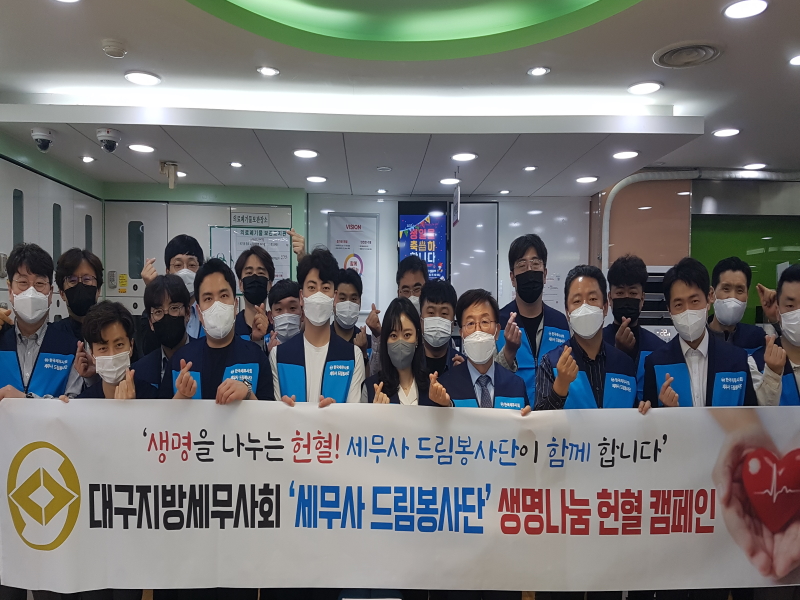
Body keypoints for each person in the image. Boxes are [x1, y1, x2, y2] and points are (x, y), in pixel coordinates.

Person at [641, 257, 757, 412]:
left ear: (709, 298)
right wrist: (665, 411)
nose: (687, 310)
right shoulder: (656, 363)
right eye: (678, 304)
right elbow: (650, 419)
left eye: (694, 301)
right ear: (669, 310)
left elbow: (751, 418)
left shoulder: (737, 360)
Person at [169, 258, 273, 402]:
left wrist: (248, 394)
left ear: (235, 305)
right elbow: (161, 414)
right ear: (199, 312)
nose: (217, 305)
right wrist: (181, 396)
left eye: (224, 296)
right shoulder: (180, 361)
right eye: (208, 298)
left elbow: (268, 413)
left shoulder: (256, 358)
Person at [536, 265, 637, 410]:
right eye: (577, 301)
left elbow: (633, 414)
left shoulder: (625, 364)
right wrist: (561, 385)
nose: (585, 307)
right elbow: (541, 419)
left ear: (605, 307)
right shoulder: (551, 363)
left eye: (592, 298)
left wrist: (643, 411)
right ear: (567, 313)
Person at [272, 247, 365, 406]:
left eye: (325, 288)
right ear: (301, 297)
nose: (318, 295)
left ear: (334, 297)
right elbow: (273, 414)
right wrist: (284, 411)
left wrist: (333, 414)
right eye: (312, 288)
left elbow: (353, 416)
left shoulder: (352, 356)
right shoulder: (279, 356)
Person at [0, 243, 83, 401]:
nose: (31, 292)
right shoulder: (1, 339)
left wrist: (26, 400)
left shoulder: (70, 349)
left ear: (50, 293)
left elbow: (74, 405)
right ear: (10, 290)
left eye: (39, 284)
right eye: (23, 283)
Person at [496, 234, 570, 402]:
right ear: (512, 278)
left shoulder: (561, 323)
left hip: (554, 412)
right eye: (522, 265)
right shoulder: (498, 322)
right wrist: (508, 353)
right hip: (512, 412)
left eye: (535, 264)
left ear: (544, 274)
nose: (529, 271)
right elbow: (489, 376)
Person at [432, 289, 530, 414]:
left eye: (485, 322)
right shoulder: (445, 387)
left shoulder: (516, 385)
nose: (478, 330)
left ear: (497, 331)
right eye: (470, 323)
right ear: (462, 334)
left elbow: (525, 423)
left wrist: (527, 420)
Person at [602, 254, 665, 401]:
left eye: (633, 293)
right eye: (620, 293)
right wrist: (618, 354)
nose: (626, 298)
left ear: (642, 299)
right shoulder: (597, 344)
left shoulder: (658, 348)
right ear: (610, 298)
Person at [64, 301, 148, 403]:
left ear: (131, 346)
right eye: (103, 348)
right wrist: (63, 408)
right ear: (92, 354)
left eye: (119, 345)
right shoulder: (84, 403)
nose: (112, 355)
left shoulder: (153, 398)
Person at [139, 234, 206, 355]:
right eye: (178, 265)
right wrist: (154, 294)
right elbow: (149, 350)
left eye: (192, 265)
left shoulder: (208, 310)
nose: (185, 271)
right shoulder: (154, 315)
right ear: (168, 271)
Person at [362, 297, 436, 405]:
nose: (400, 342)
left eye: (407, 335)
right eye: (393, 335)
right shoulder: (370, 388)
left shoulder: (433, 387)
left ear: (417, 338)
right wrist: (375, 413)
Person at [130, 275, 193, 399]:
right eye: (158, 311)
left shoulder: (206, 357)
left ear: (187, 313)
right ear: (150, 322)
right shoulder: (138, 372)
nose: (166, 315)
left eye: (174, 308)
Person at [51, 247, 105, 386]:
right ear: (62, 293)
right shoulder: (52, 336)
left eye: (87, 279)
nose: (80, 285)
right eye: (72, 280)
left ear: (98, 290)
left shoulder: (113, 333)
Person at [365, 255, 428, 375]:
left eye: (417, 289)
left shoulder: (436, 328)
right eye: (406, 290)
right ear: (398, 293)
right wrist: (379, 336)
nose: (411, 296)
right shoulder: (390, 326)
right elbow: (377, 374)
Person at [752, 264, 800, 405]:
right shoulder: (756, 363)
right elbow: (756, 415)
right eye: (790, 306)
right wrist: (772, 374)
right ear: (778, 311)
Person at [709, 257, 768, 355]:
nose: (733, 297)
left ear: (747, 295)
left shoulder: (756, 338)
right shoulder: (698, 338)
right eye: (726, 289)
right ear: (711, 294)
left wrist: (775, 319)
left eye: (740, 290)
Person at [419, 279, 462, 377]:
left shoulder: (462, 366)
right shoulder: (409, 366)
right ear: (421, 319)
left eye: (444, 313)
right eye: (431, 312)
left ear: (453, 323)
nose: (437, 319)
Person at [233, 245, 274, 346]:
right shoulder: (231, 328)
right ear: (241, 284)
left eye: (261, 273)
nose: (255, 277)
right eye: (249, 273)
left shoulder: (277, 327)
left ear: (269, 284)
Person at [333, 268, 370, 372]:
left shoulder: (368, 343)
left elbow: (373, 379)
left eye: (353, 299)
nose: (348, 304)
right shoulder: (323, 341)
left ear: (360, 302)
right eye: (342, 299)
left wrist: (363, 353)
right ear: (333, 300)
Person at [268, 279, 303, 349]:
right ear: (271, 317)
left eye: (292, 308)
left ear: (303, 314)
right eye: (279, 309)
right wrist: (271, 354)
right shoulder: (262, 346)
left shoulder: (313, 345)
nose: (286, 315)